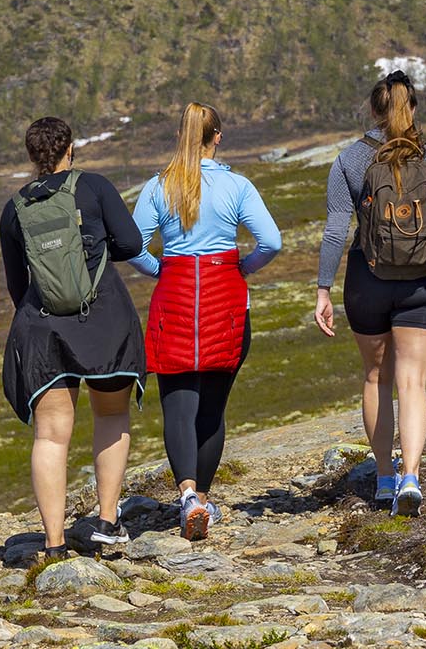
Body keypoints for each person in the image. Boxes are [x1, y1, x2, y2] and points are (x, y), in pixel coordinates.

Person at [314, 70, 426, 516]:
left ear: (373, 111)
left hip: (368, 281)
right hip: (425, 280)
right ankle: (412, 476)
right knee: (413, 382)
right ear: (413, 108)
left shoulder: (350, 160)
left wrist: (323, 288)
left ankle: (383, 477)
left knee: (376, 377)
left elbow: (336, 230)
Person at [130, 102, 281, 540]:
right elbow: (271, 241)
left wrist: (162, 269)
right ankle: (204, 500)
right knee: (212, 408)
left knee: (177, 404)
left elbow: (134, 245)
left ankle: (187, 495)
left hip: (175, 296)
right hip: (225, 299)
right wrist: (244, 267)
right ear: (217, 137)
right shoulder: (237, 186)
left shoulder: (158, 187)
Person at [0, 117, 145, 562]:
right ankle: (105, 521)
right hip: (105, 321)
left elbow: (15, 283)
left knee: (50, 436)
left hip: (43, 328)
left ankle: (54, 543)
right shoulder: (95, 187)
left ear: (31, 155)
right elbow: (133, 242)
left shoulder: (13, 209)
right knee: (111, 416)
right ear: (71, 149)